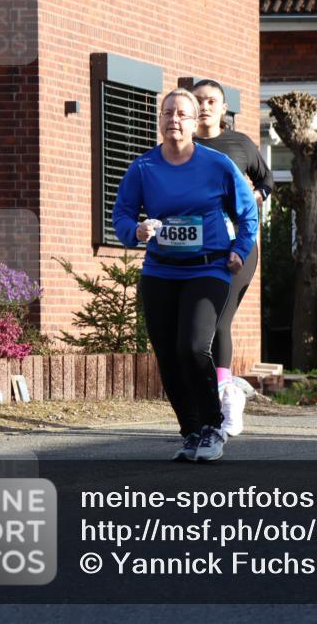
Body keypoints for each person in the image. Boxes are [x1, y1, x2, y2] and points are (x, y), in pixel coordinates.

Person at [112, 88, 258, 462]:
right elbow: (122, 215)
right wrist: (137, 232)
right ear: (159, 120)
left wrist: (240, 251)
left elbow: (247, 215)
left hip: (208, 268)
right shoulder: (143, 167)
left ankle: (212, 426)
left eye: (182, 114)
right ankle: (190, 431)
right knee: (167, 355)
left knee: (192, 347)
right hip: (160, 271)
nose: (173, 119)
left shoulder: (217, 165)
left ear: (195, 123)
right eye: (167, 113)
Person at [192, 79, 274, 435]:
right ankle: (212, 397)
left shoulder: (239, 143)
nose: (205, 106)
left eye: (212, 101)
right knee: (195, 328)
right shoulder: (181, 147)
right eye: (199, 101)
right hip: (195, 251)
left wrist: (258, 194)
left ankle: (225, 395)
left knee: (219, 320)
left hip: (238, 246)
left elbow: (267, 180)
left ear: (223, 109)